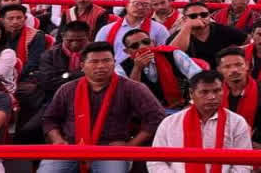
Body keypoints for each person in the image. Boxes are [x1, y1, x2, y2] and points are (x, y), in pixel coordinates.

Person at [39, 41, 167, 173]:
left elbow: (157, 118)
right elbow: (50, 119)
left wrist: (130, 146)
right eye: (94, 62)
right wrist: (58, 140)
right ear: (82, 66)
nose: (101, 66)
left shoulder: (132, 88)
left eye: (107, 61)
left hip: (111, 148)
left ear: (114, 62)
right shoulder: (67, 88)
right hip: (71, 146)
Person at [149, 70, 254, 173]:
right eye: (204, 92)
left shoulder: (237, 123)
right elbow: (156, 162)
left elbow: (243, 163)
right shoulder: (169, 123)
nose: (212, 97)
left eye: (217, 91)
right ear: (191, 93)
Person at [119, 27, 202, 109]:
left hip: (181, 106)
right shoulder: (121, 68)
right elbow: (129, 96)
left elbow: (199, 78)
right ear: (127, 51)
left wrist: (192, 104)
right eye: (135, 46)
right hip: (145, 112)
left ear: (153, 42)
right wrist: (137, 69)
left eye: (146, 42)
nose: (142, 47)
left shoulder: (172, 54)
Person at [217, 45, 261, 146]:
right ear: (219, 70)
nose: (234, 70)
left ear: (247, 65)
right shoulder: (215, 93)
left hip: (259, 147)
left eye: (239, 65)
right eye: (227, 66)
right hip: (222, 145)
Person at [170, 0, 247, 69]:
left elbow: (248, 41)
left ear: (209, 16)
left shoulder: (222, 30)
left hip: (221, 74)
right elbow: (172, 54)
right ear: (184, 19)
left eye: (204, 15)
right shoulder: (179, 35)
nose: (199, 18)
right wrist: (187, 26)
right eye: (193, 16)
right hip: (191, 77)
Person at [96, 0, 170, 62]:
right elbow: (98, 53)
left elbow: (165, 54)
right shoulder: (106, 30)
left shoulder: (159, 29)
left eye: (145, 5)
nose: (140, 7)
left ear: (150, 10)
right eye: (136, 4)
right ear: (127, 6)